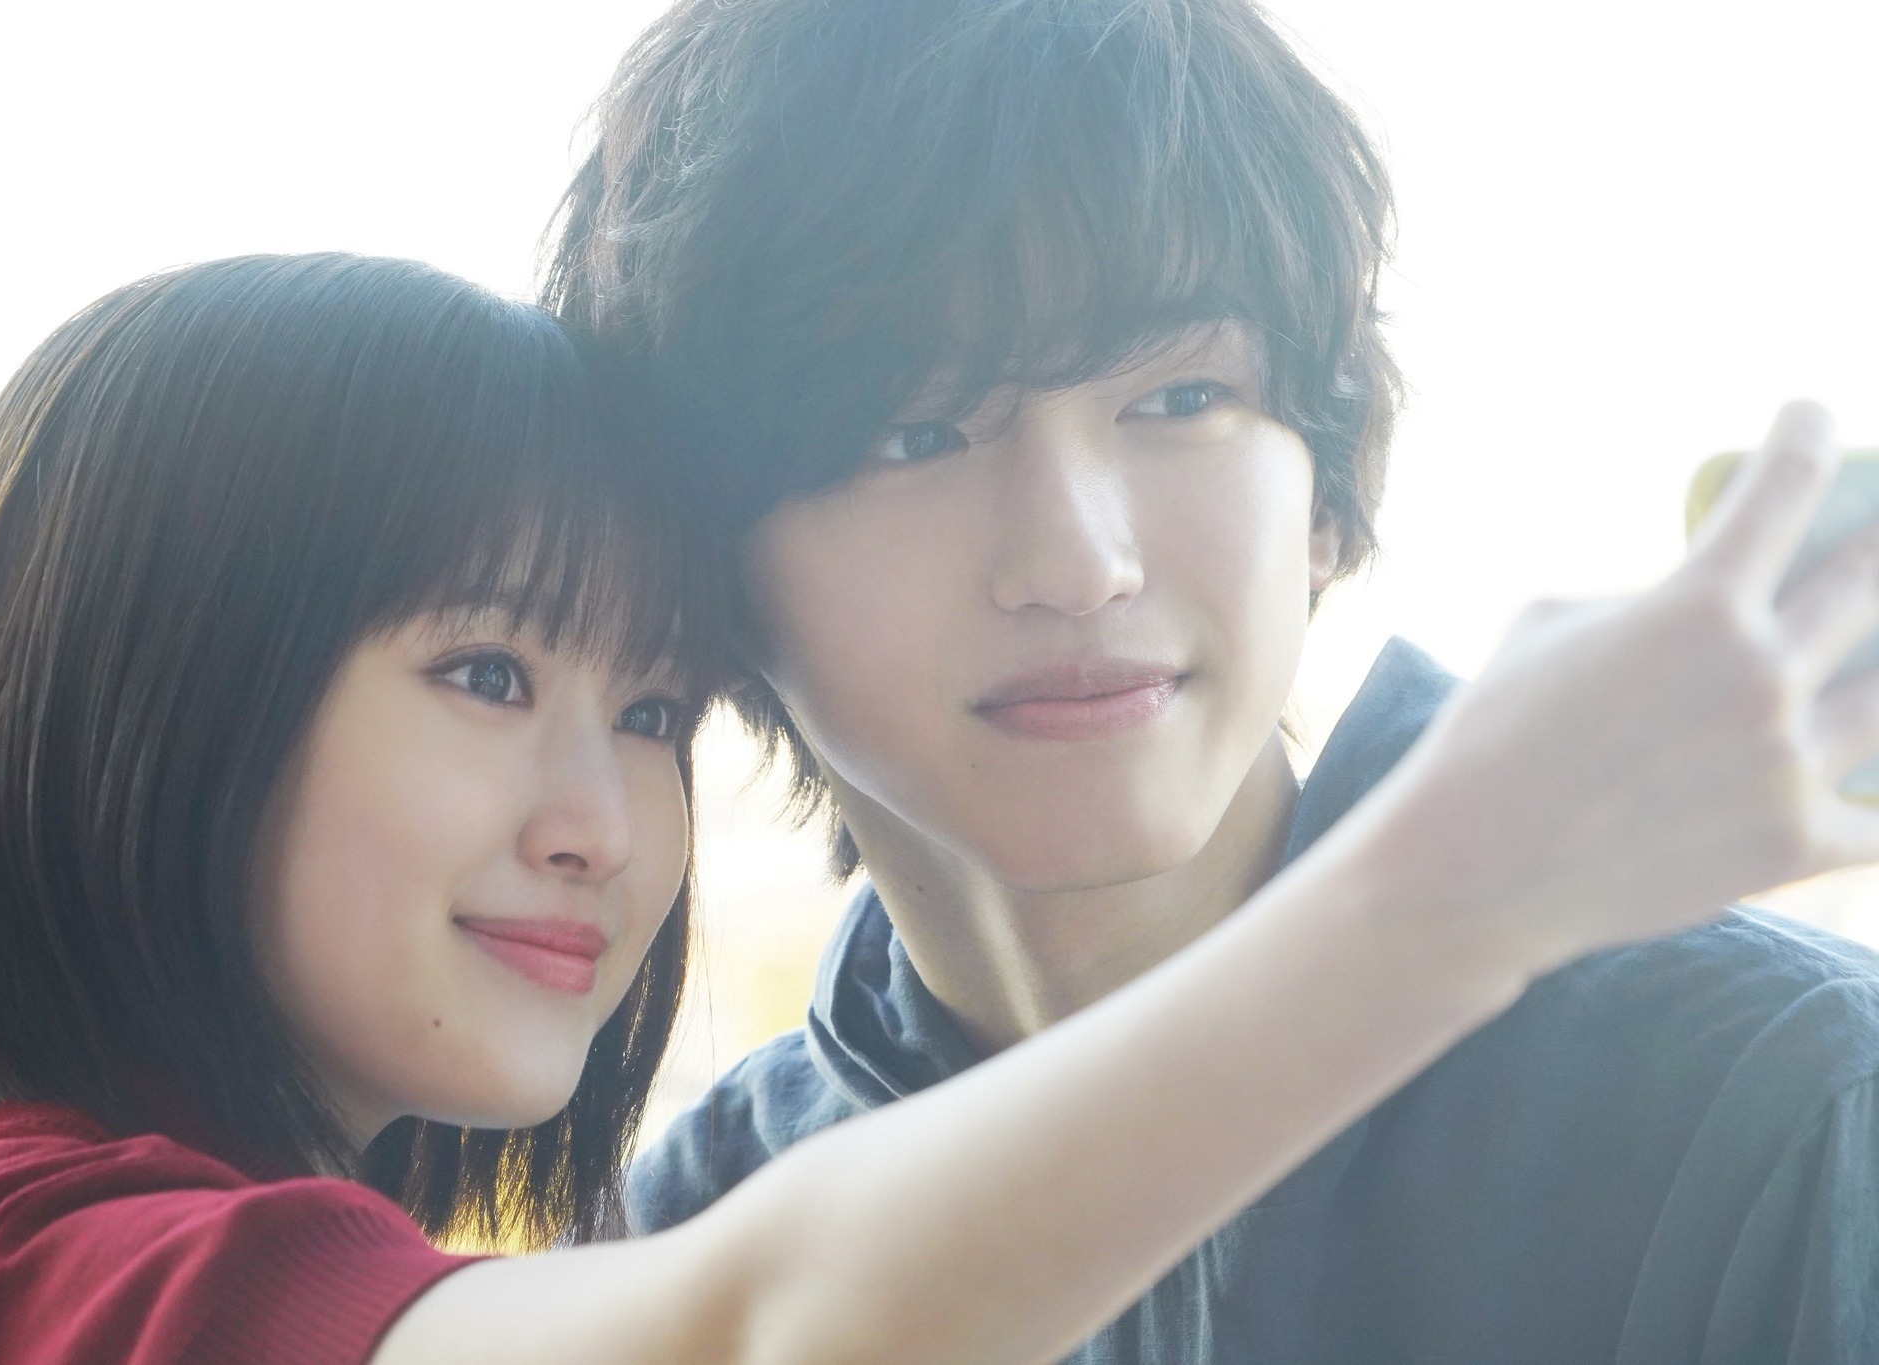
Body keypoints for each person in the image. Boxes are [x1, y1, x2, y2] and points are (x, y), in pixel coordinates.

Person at [0, 255, 1869, 1365]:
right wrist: (1471, 878)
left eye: (654, 710)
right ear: (151, 691)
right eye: (485, 675)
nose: (602, 824)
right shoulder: (14, 1287)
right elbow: (763, 1338)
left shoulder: (1787, 1099)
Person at [544, 0, 1879, 1359]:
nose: (1080, 563)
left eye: (1181, 400)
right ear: (713, 571)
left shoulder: (1784, 1097)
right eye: (915, 434)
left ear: (1323, 495)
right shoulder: (688, 1232)